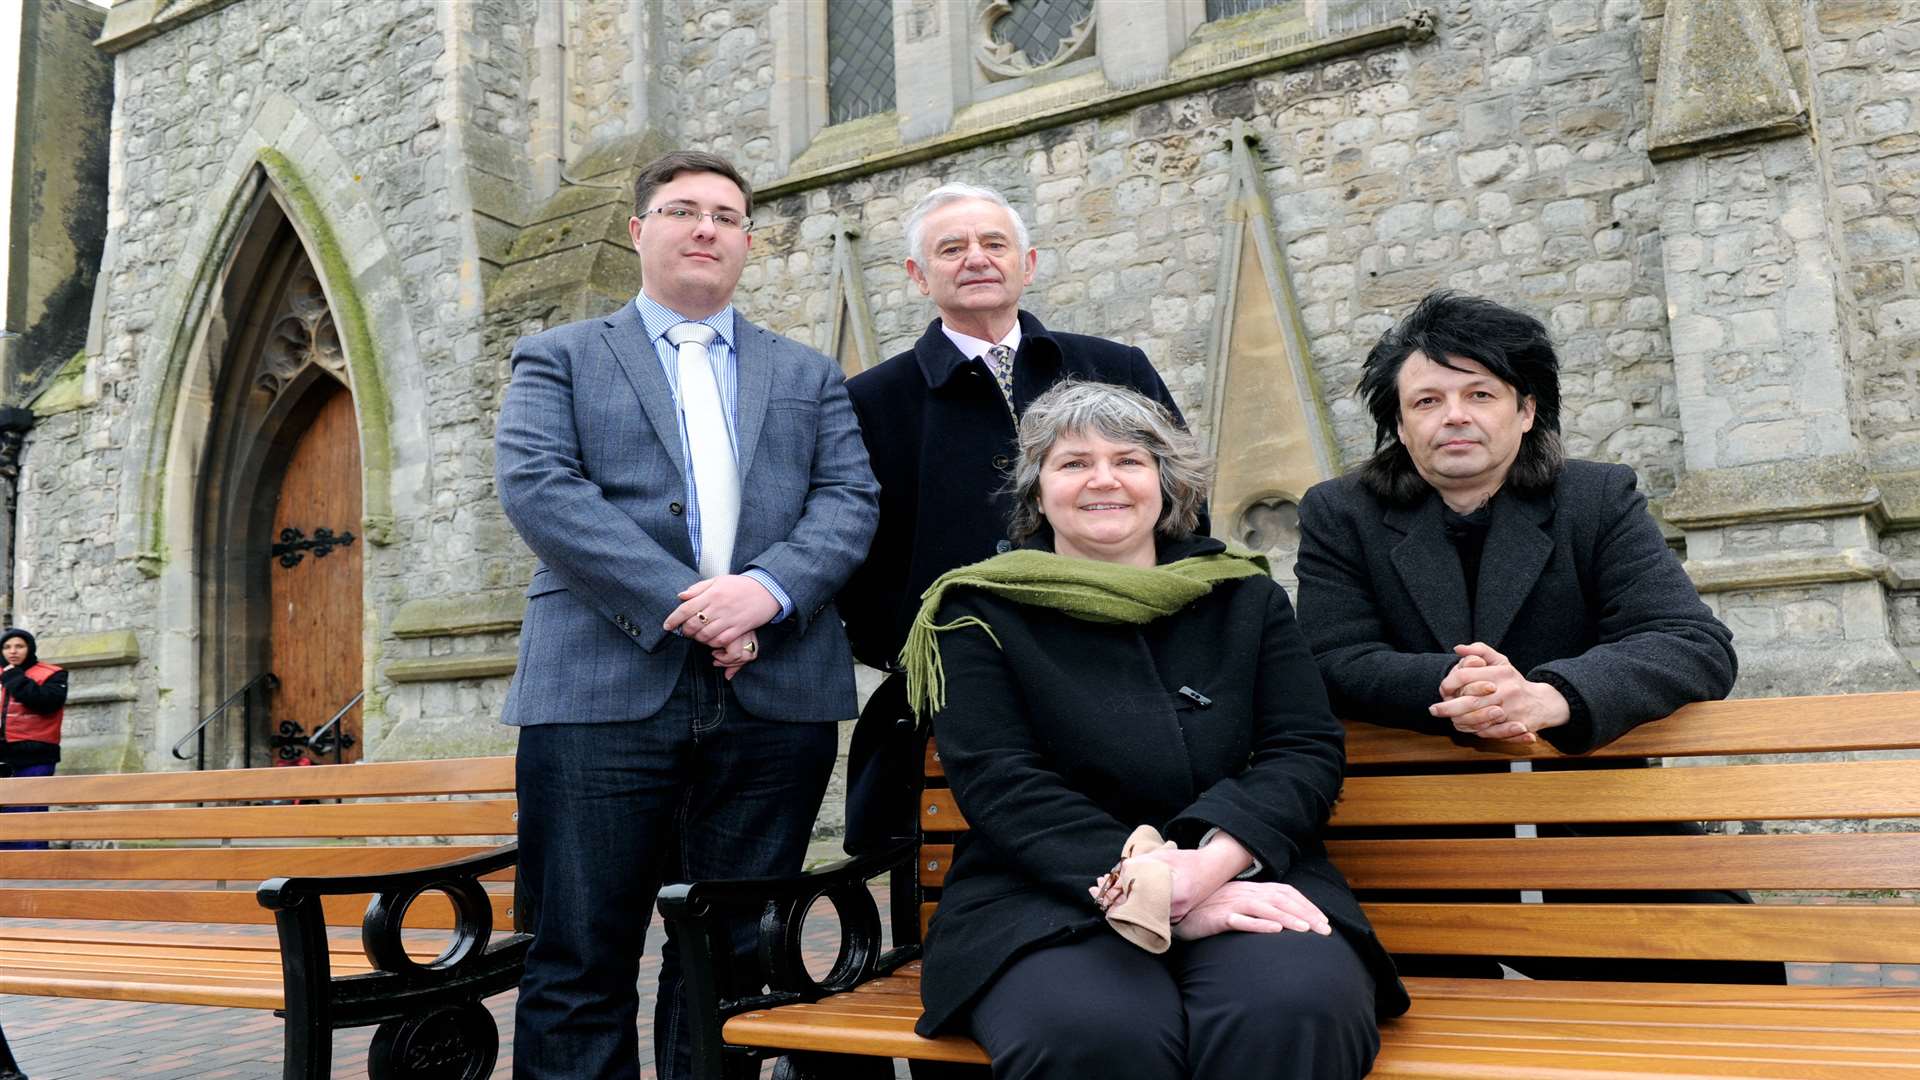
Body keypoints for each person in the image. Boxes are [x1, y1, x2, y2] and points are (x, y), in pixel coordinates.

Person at [494, 150, 879, 1080]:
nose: (705, 227)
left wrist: (767, 595)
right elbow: (541, 490)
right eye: (681, 210)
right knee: (580, 952)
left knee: (738, 955)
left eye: (725, 215)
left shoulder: (807, 372)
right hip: (598, 692)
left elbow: (849, 501)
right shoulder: (560, 357)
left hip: (772, 696)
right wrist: (700, 610)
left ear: (747, 241)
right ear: (640, 231)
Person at [903, 382, 1407, 1079]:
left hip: (1242, 867)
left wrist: (1210, 866)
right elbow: (1001, 782)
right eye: (1073, 462)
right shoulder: (975, 611)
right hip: (1045, 893)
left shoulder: (1243, 596)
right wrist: (1154, 892)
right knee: (1092, 1032)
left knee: (1292, 1009)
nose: (1103, 479)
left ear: (1165, 487)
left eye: (1130, 461)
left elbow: (1303, 749)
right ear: (1038, 490)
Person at [1293, 289, 1780, 983]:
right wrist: (1453, 685)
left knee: (1743, 969)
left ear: (1525, 411)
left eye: (1480, 394)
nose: (1454, 416)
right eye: (1426, 401)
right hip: (1420, 846)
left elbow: (1690, 641)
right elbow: (1331, 658)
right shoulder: (1342, 515)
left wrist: (1552, 695)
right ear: (1399, 426)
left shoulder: (1596, 499)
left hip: (1595, 832)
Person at [838, 181, 1191, 854]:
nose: (976, 258)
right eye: (952, 248)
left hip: (1128, 669)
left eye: (993, 243)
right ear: (918, 276)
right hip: (969, 692)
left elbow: (1180, 507)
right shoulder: (870, 401)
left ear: (1026, 265)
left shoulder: (1114, 367)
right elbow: (856, 550)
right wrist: (919, 645)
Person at [0, 628, 67, 852]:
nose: (13, 651)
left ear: (29, 648)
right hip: (3, 755)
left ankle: (32, 868)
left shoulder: (53, 674)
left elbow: (46, 703)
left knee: (29, 813)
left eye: (19, 646)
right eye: (7, 647)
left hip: (35, 755)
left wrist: (14, 677)